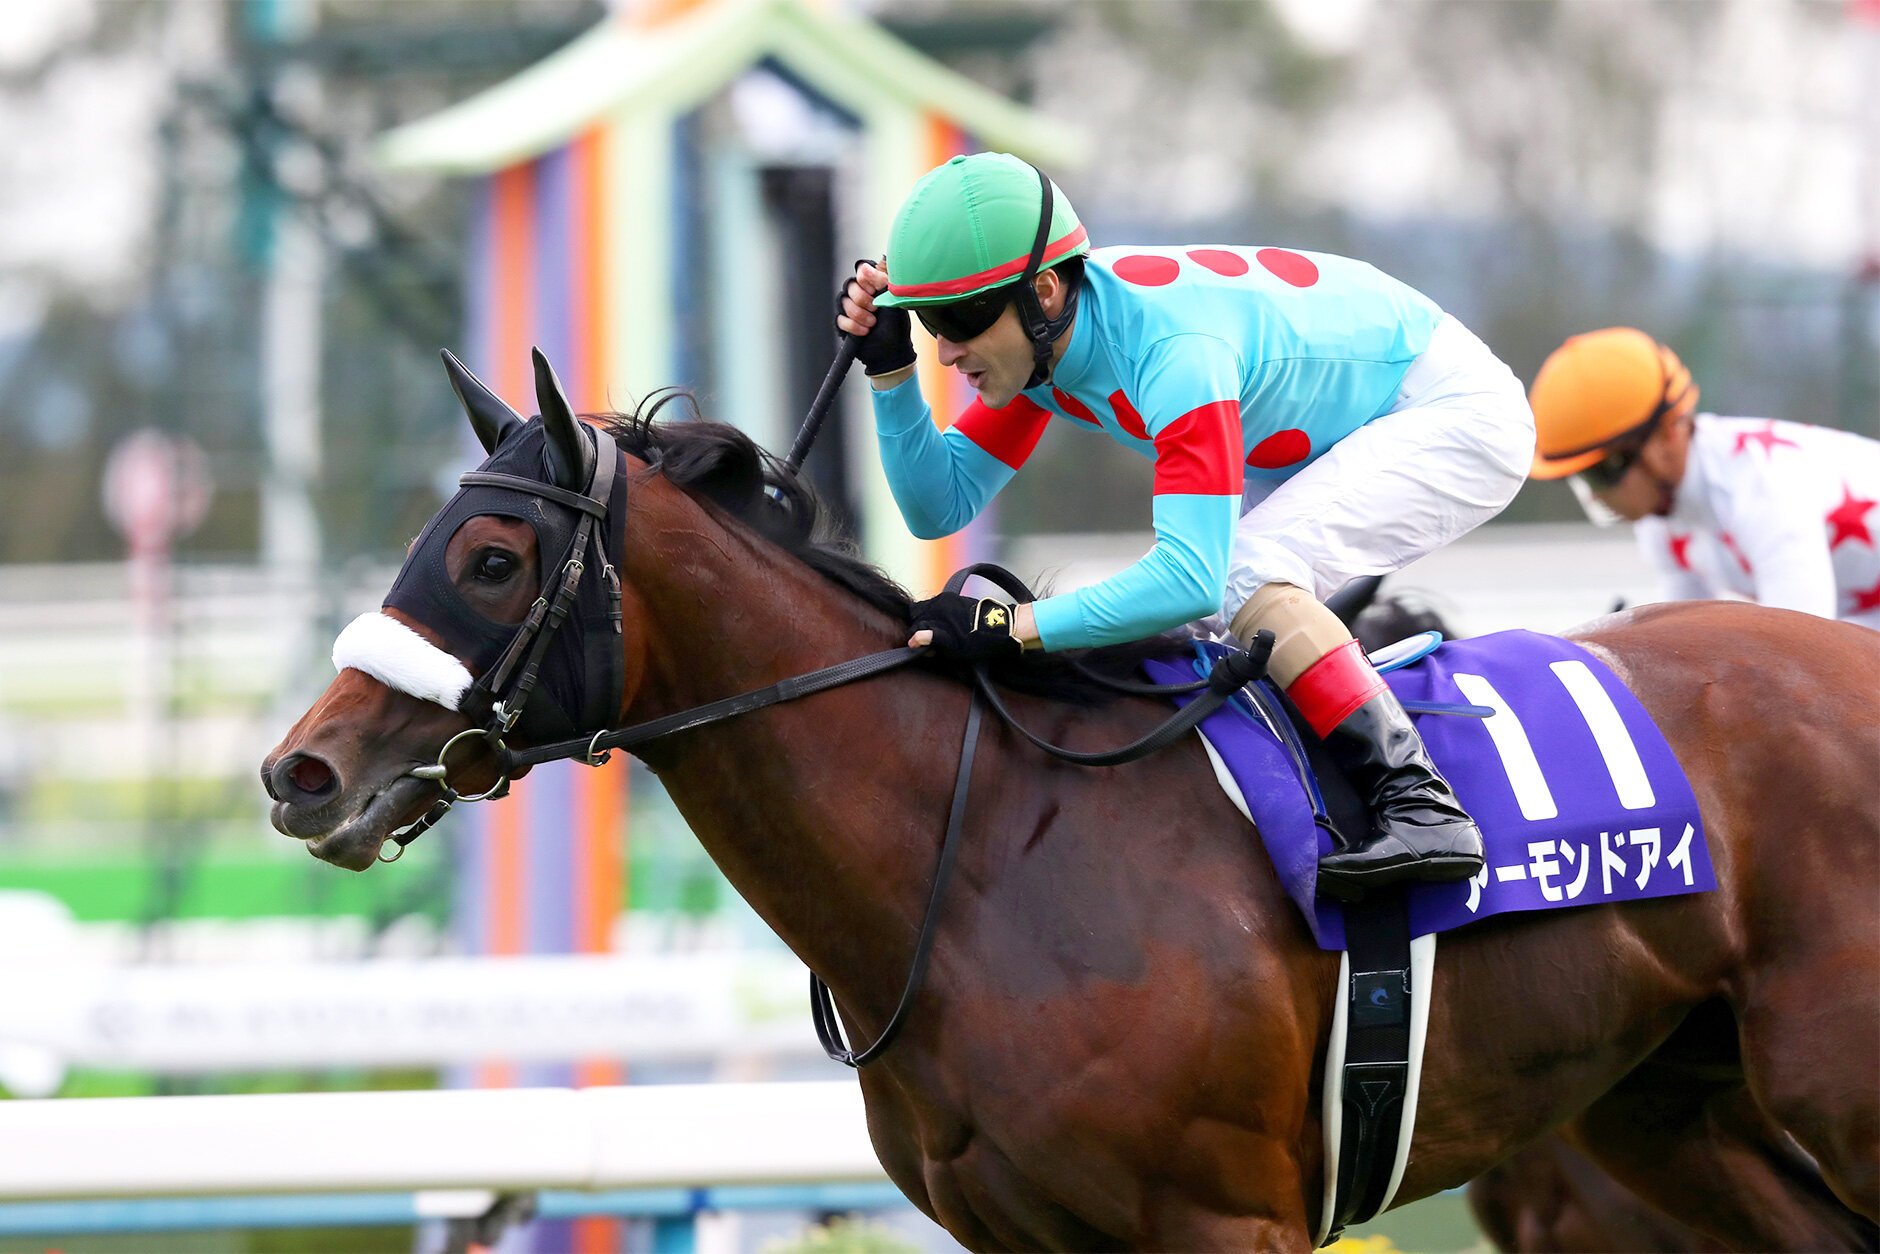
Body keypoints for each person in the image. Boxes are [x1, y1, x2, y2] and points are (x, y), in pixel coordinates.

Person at [836, 152, 1537, 900]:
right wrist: (890, 373)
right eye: (929, 321)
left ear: (1043, 291)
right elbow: (938, 506)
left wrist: (1014, 628)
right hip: (1346, 423)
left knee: (1241, 574)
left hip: (1452, 412)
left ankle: (1422, 806)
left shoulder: (1170, 350)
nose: (946, 351)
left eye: (960, 320)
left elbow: (1189, 577)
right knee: (1203, 612)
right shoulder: (1045, 347)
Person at [1529, 326, 1880, 629]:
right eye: (1577, 477)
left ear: (1667, 434)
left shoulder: (1760, 490)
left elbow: (1801, 647)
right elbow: (1684, 645)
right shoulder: (1659, 518)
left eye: (1602, 471)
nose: (1595, 495)